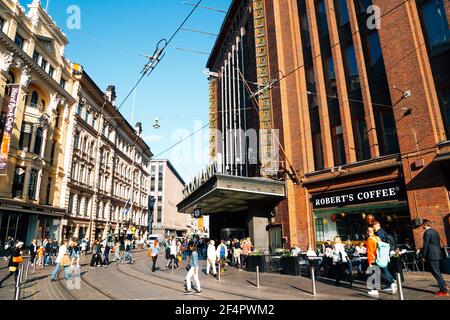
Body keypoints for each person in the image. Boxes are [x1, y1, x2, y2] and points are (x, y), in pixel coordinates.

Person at [421, 220, 449, 296]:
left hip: (431, 255)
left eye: (422, 225)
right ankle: (444, 285)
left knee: (436, 272)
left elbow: (426, 245)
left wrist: (423, 256)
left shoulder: (427, 232)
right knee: (436, 271)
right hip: (437, 254)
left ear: (425, 224)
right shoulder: (434, 231)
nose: (422, 226)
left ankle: (443, 290)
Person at [366, 227, 397, 296]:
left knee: (374, 274)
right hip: (382, 257)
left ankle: (376, 289)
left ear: (368, 232)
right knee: (384, 271)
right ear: (373, 231)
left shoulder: (369, 240)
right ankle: (392, 282)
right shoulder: (377, 238)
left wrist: (370, 262)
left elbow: (370, 252)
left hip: (374, 258)